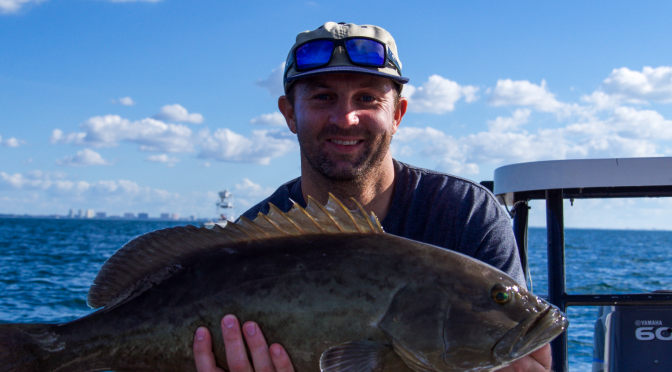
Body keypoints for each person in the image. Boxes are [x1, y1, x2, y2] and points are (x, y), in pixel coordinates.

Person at [193, 22, 552, 372]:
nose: (346, 118)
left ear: (397, 114)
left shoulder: (467, 215)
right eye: (322, 97)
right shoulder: (251, 238)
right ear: (290, 114)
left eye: (367, 98)